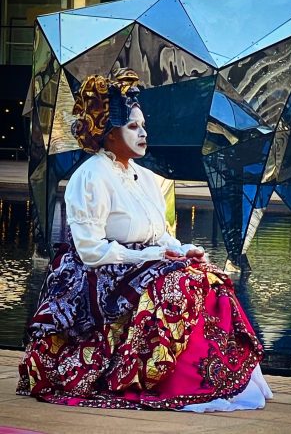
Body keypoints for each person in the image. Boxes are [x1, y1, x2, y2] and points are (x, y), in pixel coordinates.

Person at [17, 69, 272, 411]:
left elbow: (161, 234)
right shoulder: (90, 176)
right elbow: (90, 251)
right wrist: (150, 258)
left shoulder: (145, 176)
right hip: (101, 273)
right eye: (133, 127)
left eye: (143, 126)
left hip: (141, 262)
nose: (143, 134)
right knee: (177, 288)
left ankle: (218, 376)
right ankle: (160, 379)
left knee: (209, 276)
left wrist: (181, 249)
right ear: (108, 135)